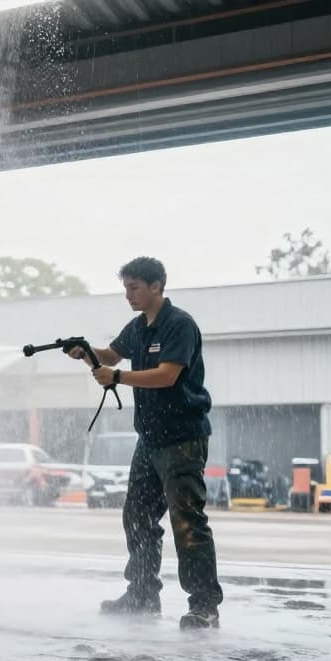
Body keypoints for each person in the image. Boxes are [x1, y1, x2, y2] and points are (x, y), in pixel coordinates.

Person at [68, 257, 223, 629]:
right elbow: (110, 355)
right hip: (150, 440)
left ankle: (204, 605)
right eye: (125, 288)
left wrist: (117, 376)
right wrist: (86, 352)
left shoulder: (179, 325)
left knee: (188, 521)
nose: (128, 295)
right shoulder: (138, 327)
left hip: (182, 439)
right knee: (137, 515)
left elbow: (167, 376)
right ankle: (141, 594)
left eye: (134, 287)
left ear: (157, 286)